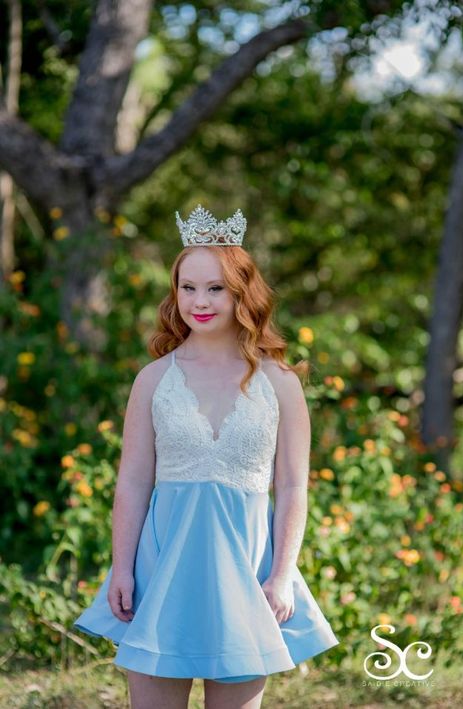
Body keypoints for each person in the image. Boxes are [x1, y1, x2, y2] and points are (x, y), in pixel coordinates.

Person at [73, 204, 340, 709]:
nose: (199, 300)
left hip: (246, 569)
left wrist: (282, 574)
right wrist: (122, 568)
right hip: (163, 567)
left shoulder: (280, 384)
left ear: (242, 291)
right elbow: (131, 482)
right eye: (188, 287)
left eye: (215, 288)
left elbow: (292, 487)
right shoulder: (153, 380)